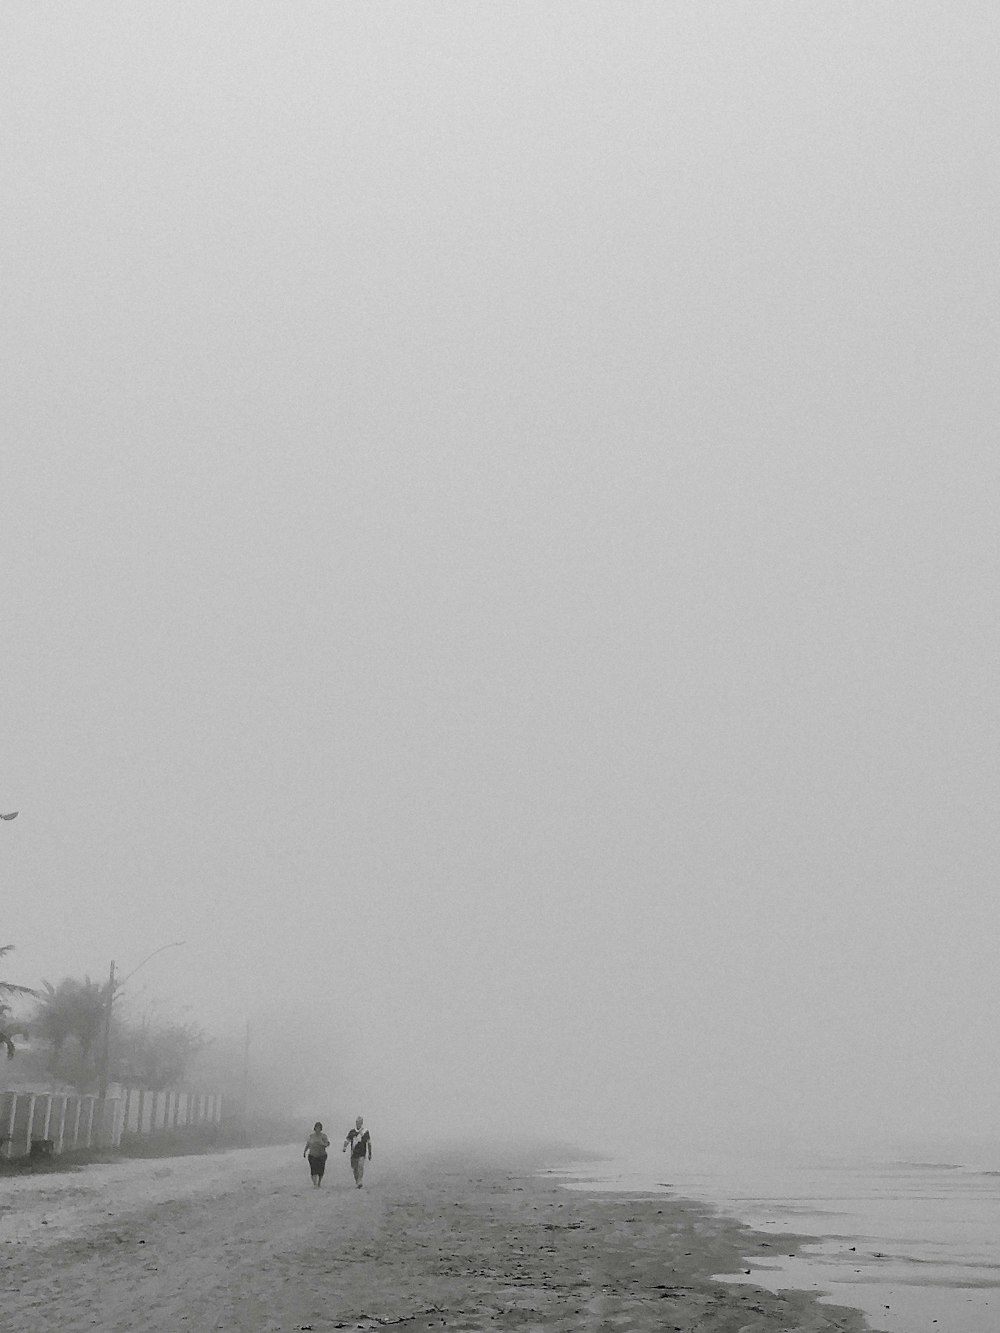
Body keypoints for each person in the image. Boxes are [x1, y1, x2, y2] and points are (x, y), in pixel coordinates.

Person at [342, 1115, 372, 1188]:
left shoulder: (365, 1132)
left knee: (360, 1166)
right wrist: (344, 1147)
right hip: (354, 1153)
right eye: (357, 1122)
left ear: (362, 1123)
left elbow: (369, 1142)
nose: (358, 1123)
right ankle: (357, 1181)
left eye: (360, 1122)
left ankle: (360, 1180)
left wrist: (370, 1153)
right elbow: (347, 1140)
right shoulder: (352, 1132)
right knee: (355, 1168)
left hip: (362, 1152)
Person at [303, 1121, 330, 1187]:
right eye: (316, 1127)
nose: (318, 1129)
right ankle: (315, 1183)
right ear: (314, 1128)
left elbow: (327, 1144)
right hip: (312, 1155)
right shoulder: (311, 1136)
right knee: (313, 1169)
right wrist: (304, 1152)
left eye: (319, 1128)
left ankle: (319, 1183)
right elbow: (308, 1144)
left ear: (321, 1128)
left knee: (321, 1170)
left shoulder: (323, 1136)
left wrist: (322, 1144)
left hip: (322, 1155)